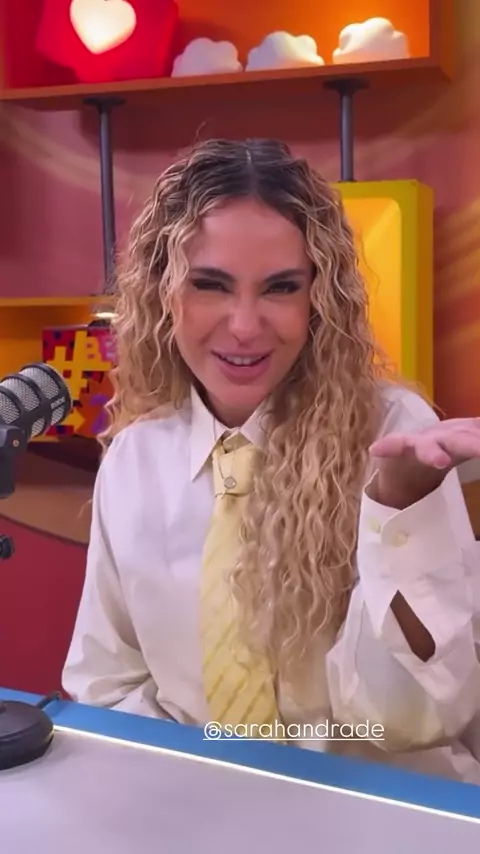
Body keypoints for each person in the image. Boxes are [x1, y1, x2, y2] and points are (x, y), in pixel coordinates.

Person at [63, 138, 480, 783]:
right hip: (194, 804)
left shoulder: (396, 434)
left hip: (381, 811)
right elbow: (106, 685)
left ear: (320, 297)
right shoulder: (135, 459)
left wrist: (397, 516)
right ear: (162, 291)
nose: (244, 326)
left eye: (280, 288)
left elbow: (412, 721)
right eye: (210, 285)